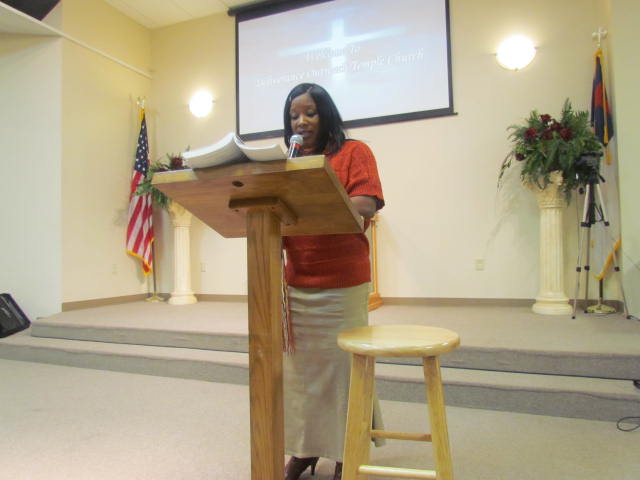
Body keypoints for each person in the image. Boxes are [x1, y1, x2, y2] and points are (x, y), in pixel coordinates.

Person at [282, 83, 385, 480]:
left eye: (310, 113)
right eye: (294, 115)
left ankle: (347, 453)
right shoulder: (288, 162)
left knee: (344, 372)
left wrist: (308, 198)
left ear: (326, 114)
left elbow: (365, 204)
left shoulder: (354, 152)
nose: (301, 122)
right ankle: (306, 449)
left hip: (342, 282)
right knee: (303, 375)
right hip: (297, 283)